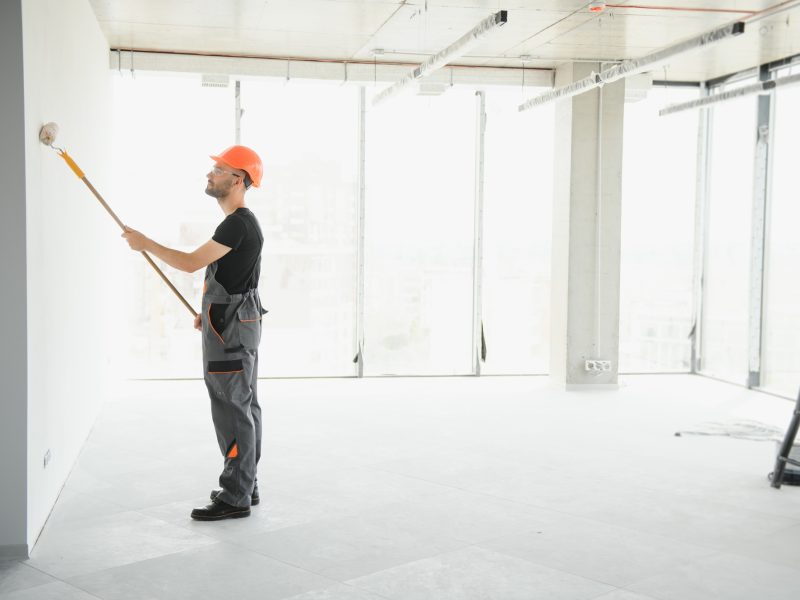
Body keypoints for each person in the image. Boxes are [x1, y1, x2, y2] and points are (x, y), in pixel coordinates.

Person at [122, 145, 266, 521]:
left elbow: (188, 263)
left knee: (232, 407)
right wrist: (211, 311)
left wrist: (145, 244)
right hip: (235, 322)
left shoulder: (237, 223)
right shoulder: (243, 223)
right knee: (245, 404)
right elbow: (239, 280)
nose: (210, 175)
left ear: (238, 180)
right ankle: (245, 484)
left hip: (230, 329)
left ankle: (236, 495)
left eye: (218, 169)